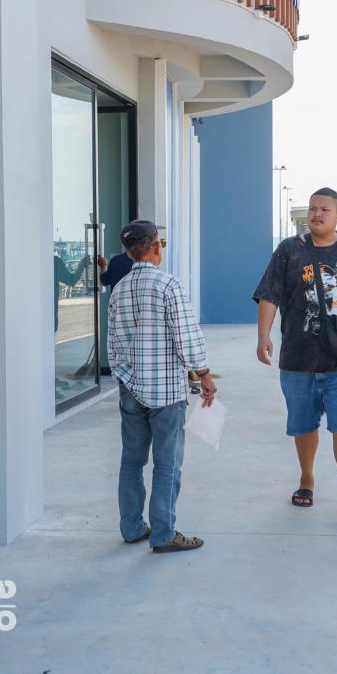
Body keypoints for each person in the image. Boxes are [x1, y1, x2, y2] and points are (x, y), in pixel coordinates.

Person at [253, 187, 337, 524]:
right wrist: (263, 336)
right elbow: (270, 295)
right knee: (304, 426)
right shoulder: (288, 250)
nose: (317, 214)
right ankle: (307, 477)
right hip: (298, 358)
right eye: (313, 208)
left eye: (324, 209)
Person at [108, 220, 215, 553]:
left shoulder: (119, 289)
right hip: (166, 391)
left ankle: (132, 528)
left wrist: (126, 377)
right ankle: (164, 534)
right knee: (167, 464)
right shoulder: (168, 285)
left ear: (129, 252)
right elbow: (187, 339)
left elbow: (113, 345)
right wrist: (204, 374)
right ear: (156, 246)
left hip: (131, 389)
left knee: (131, 462)